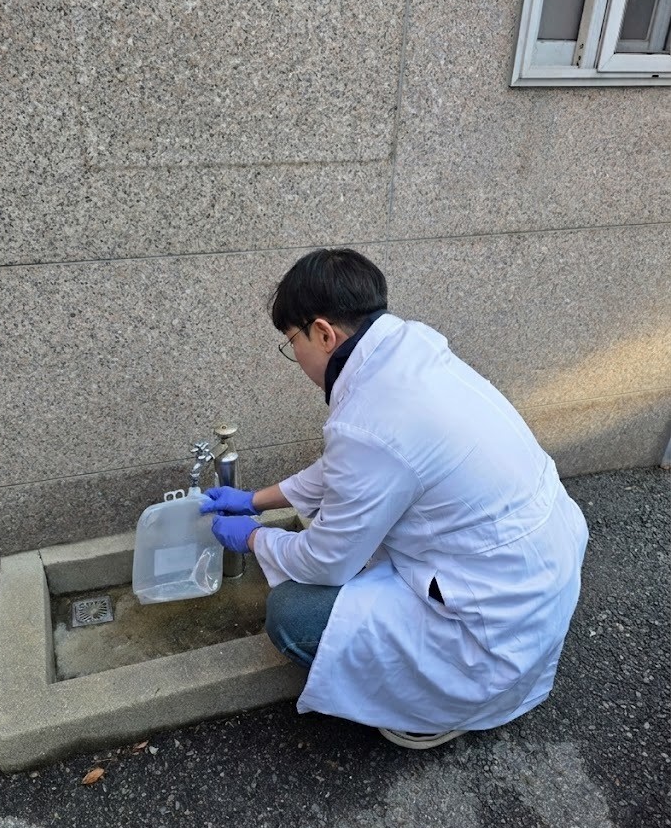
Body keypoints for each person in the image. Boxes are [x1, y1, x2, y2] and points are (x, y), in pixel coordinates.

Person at [200, 248, 588, 749]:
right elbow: (352, 466)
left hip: (488, 631)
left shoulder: (370, 415)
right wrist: (255, 499)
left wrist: (254, 538)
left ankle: (432, 709)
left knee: (292, 615)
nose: (294, 357)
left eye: (291, 342)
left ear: (323, 333)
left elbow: (326, 562)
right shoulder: (410, 351)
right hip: (532, 578)